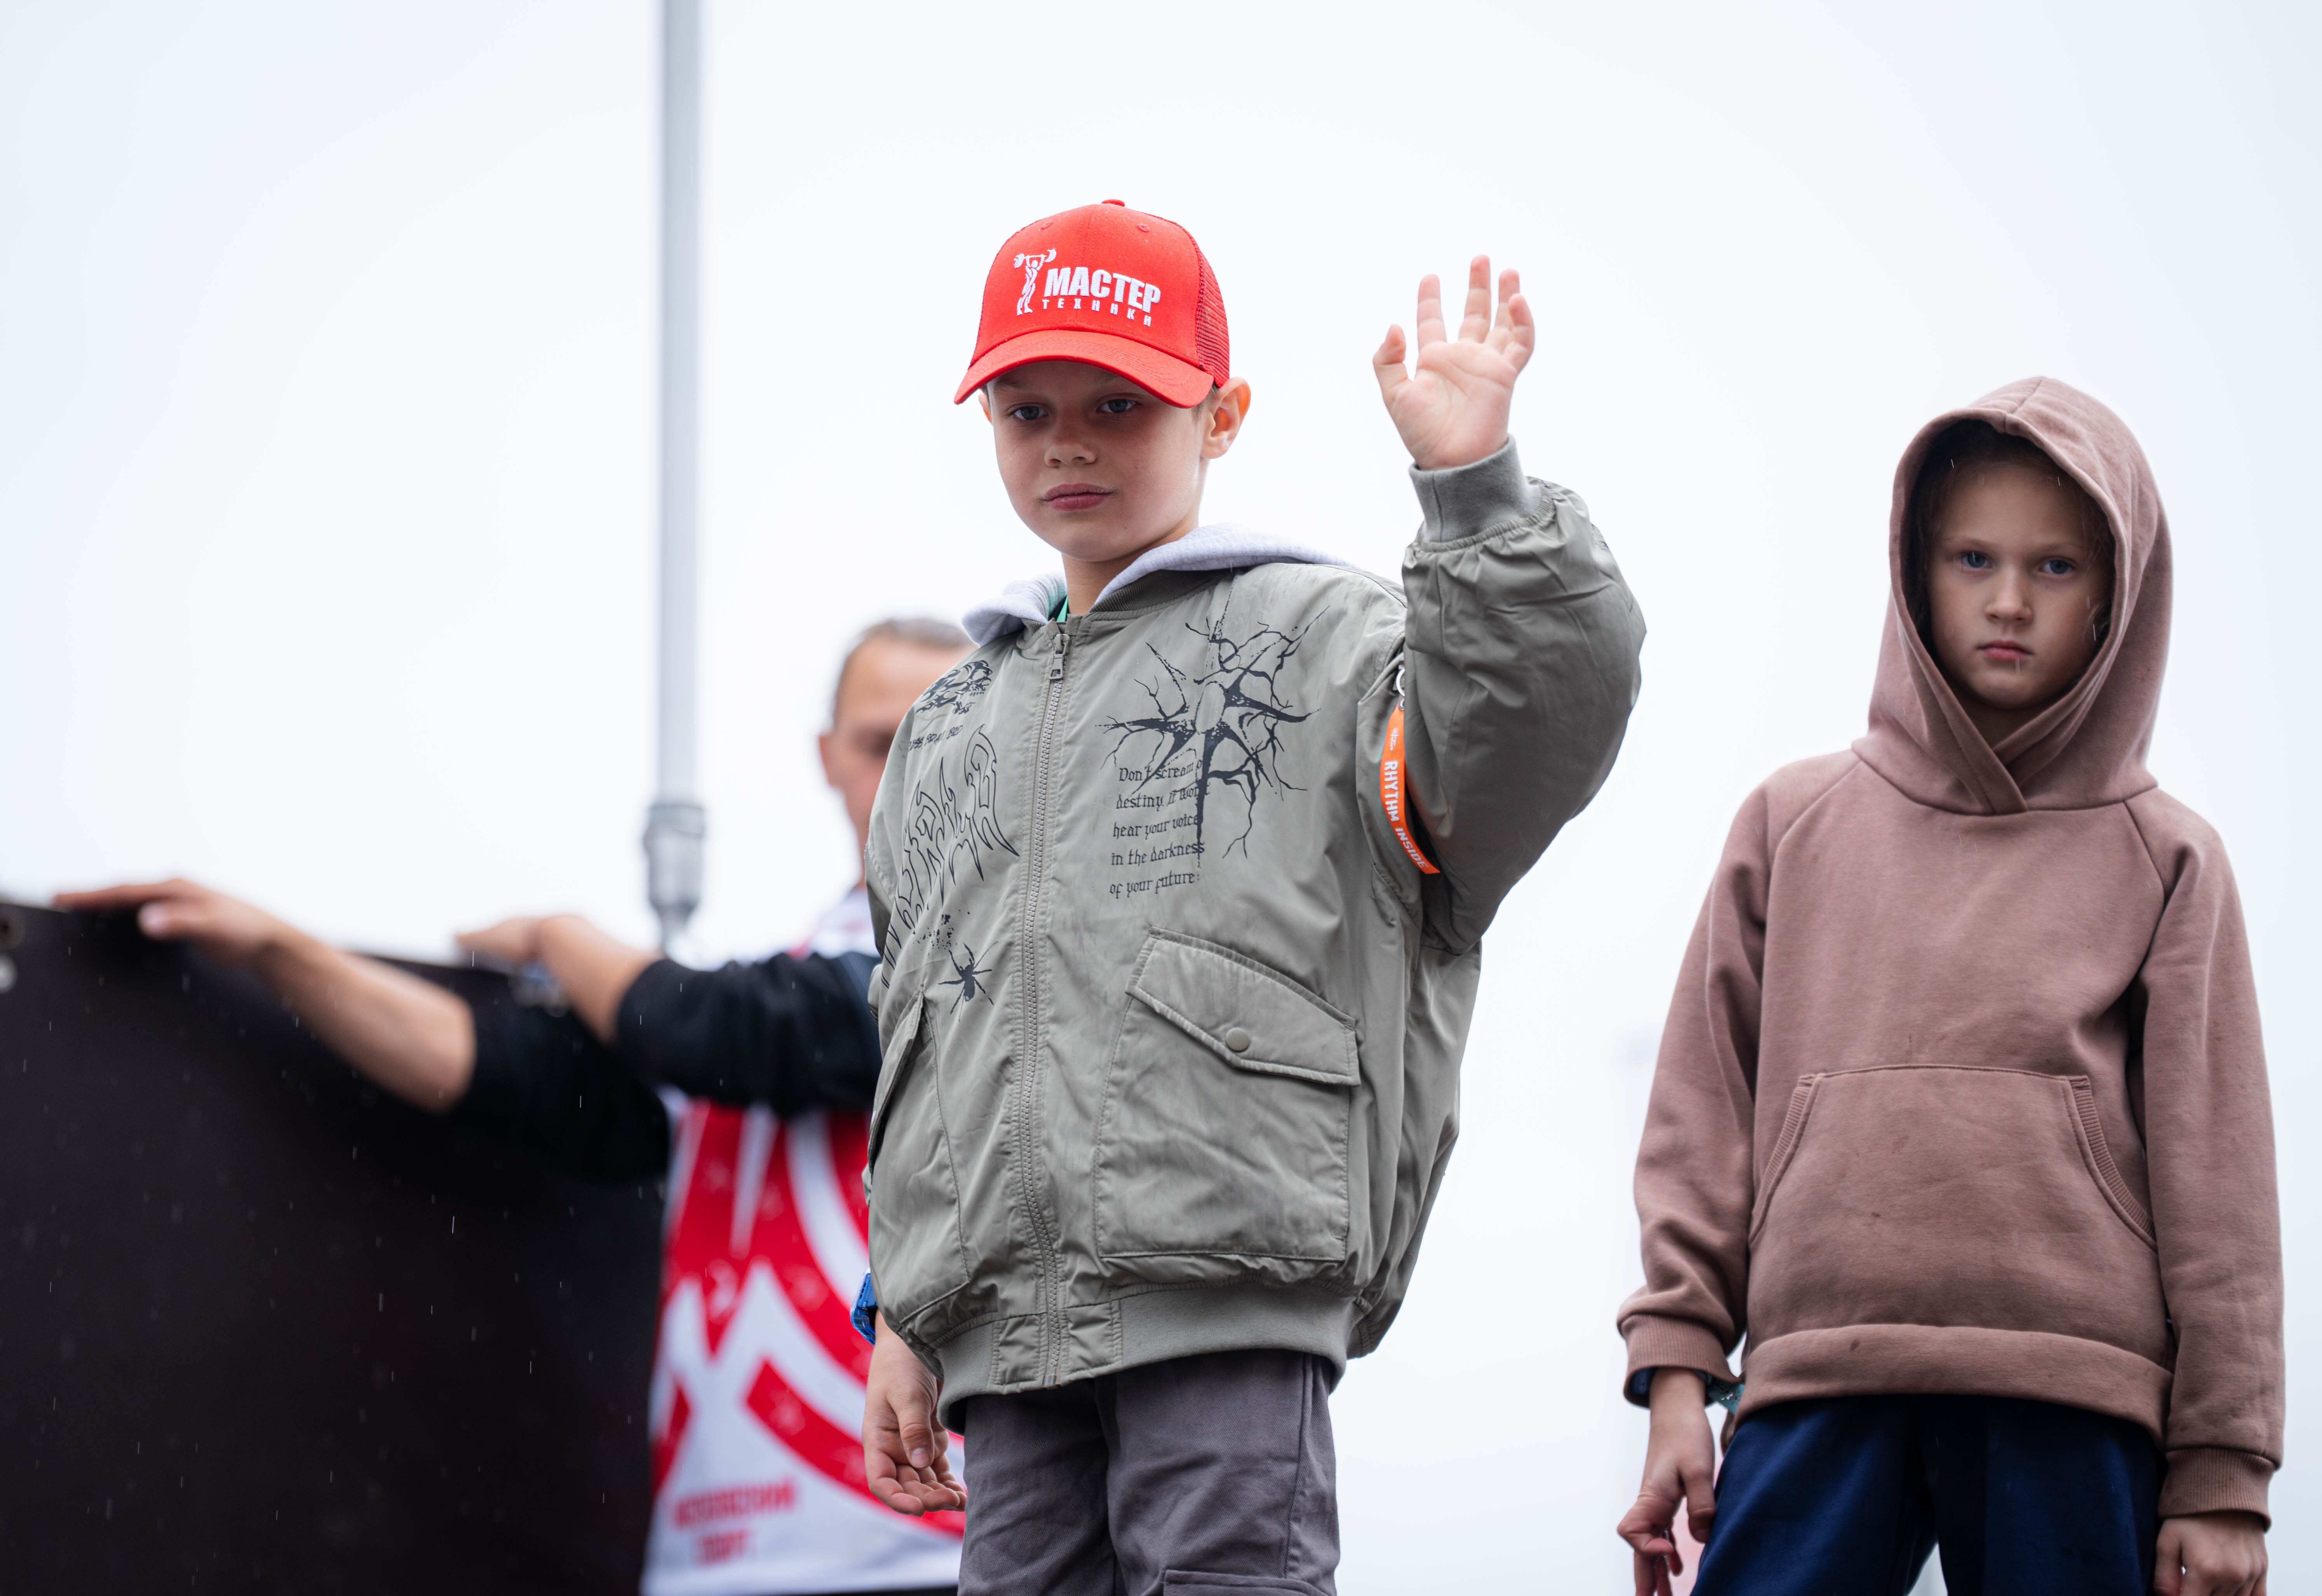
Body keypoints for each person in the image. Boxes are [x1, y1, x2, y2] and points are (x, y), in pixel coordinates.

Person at [851, 199, 1647, 1595]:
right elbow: (924, 1035)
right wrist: (903, 1307)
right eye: (1027, 410)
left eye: (1118, 402)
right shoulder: (948, 722)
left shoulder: (1334, 642)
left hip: (1227, 1284)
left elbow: (1525, 733)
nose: (1069, 441)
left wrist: (1473, 491)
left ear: (1221, 416)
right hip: (999, 1335)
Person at [58, 617, 974, 1596]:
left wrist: (556, 933)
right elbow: (496, 1066)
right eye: (879, 742)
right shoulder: (770, 992)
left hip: (932, 1548)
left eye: (944, 739)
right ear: (826, 756)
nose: (909, 773)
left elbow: (720, 1027)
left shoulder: (982, 962)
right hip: (715, 1563)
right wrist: (278, 948)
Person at [1613, 380, 2280, 1596]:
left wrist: (2223, 1473)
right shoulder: (1791, 824)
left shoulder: (2169, 858)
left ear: (2117, 595)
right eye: (1974, 558)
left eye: (2055, 567)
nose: (2010, 599)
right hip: (1820, 1374)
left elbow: (2220, 1190)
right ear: (1914, 571)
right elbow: (1701, 1118)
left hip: (2072, 1395)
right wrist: (1675, 1376)